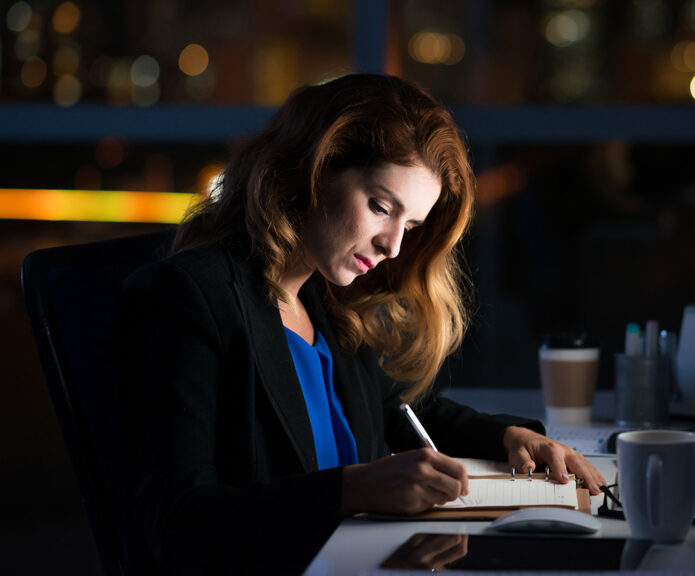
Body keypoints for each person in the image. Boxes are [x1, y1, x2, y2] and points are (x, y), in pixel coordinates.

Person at [117, 73, 606, 574]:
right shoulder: (188, 297)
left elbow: (403, 413)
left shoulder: (324, 299)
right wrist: (353, 489)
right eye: (380, 207)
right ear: (314, 170)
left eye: (410, 226)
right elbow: (175, 523)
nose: (393, 246)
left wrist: (510, 438)